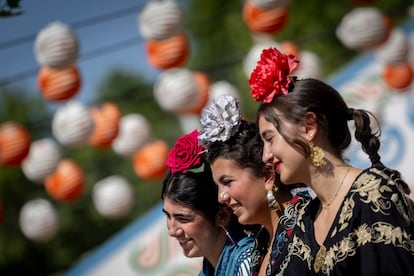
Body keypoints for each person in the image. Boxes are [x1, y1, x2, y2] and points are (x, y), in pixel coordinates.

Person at [249, 46, 414, 275]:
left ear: (309, 127)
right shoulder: (305, 220)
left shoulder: (373, 195)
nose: (265, 155)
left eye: (270, 138)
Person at [198, 95, 310, 275]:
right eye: (219, 186)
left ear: (266, 174)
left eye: (227, 182)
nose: (221, 197)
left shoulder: (309, 224)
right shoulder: (261, 246)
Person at [161, 129, 256, 276]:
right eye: (168, 216)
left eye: (183, 218)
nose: (172, 231)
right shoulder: (208, 271)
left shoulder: (248, 264)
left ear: (222, 216)